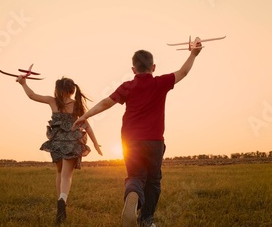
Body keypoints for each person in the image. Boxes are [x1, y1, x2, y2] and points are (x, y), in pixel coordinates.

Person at [73, 45, 203, 227]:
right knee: (153, 181)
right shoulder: (160, 82)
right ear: (153, 67)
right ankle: (146, 220)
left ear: (133, 69)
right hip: (155, 141)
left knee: (135, 176)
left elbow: (105, 103)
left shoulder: (128, 86)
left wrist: (85, 116)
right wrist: (193, 53)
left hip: (130, 140)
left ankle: (133, 193)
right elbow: (183, 72)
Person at [16, 75, 103, 225]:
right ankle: (62, 199)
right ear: (72, 90)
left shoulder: (52, 101)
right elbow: (86, 125)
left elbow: (32, 95)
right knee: (66, 176)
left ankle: (60, 201)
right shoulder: (76, 105)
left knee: (59, 173)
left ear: (58, 90)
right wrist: (95, 143)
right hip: (72, 143)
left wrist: (23, 83)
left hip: (56, 142)